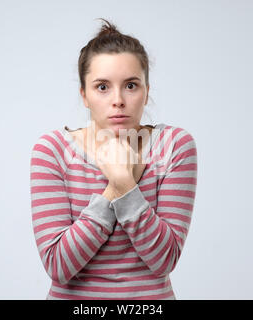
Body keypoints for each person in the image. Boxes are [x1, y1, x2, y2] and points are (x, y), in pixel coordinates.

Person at [30, 18, 198, 300]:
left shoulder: (173, 146)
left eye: (131, 85)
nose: (118, 99)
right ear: (84, 94)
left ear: (147, 92)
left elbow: (164, 260)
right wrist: (116, 185)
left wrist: (127, 186)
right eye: (102, 87)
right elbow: (58, 265)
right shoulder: (52, 150)